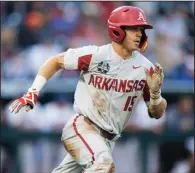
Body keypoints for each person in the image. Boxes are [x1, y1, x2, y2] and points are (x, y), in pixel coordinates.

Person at [9, 6, 167, 173]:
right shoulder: (95, 55)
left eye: (141, 29)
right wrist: (32, 92)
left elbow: (156, 113)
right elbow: (55, 61)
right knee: (104, 165)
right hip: (83, 128)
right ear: (117, 30)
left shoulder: (146, 68)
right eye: (134, 28)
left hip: (108, 140)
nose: (139, 34)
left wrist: (156, 95)